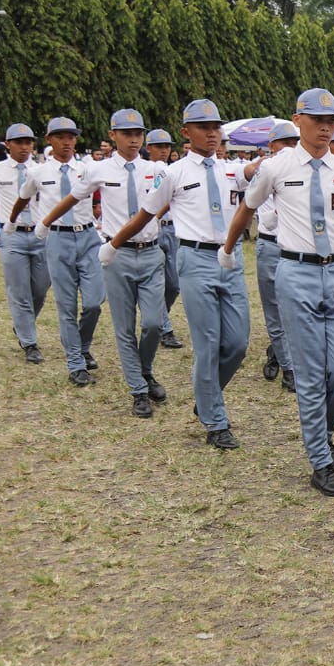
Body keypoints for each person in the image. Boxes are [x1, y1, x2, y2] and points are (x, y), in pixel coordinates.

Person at [224, 89, 334, 498]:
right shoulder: (276, 166)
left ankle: (324, 432)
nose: (325, 127)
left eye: (331, 121)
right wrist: (228, 248)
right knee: (311, 374)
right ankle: (320, 460)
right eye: (318, 120)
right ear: (298, 120)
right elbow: (248, 206)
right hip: (296, 272)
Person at [103, 99, 259, 450]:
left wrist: (276, 157)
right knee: (208, 344)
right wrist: (114, 244)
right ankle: (215, 421)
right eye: (204, 127)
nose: (212, 133)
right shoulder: (172, 174)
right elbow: (146, 215)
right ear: (186, 132)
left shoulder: (231, 169)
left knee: (237, 343)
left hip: (229, 259)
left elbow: (253, 171)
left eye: (216, 127)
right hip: (195, 259)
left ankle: (206, 396)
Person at [46, 109, 168, 417]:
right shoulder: (97, 169)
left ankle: (145, 370)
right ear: (113, 135)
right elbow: (73, 197)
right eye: (127, 134)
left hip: (151, 252)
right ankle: (138, 389)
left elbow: (170, 199)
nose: (133, 140)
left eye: (138, 134)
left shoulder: (155, 169)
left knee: (153, 323)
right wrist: (46, 222)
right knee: (124, 328)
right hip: (118, 253)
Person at [12, 118, 104, 386]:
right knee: (66, 304)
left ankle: (82, 345)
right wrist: (12, 222)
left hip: (88, 236)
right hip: (57, 238)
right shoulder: (37, 172)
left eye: (71, 137)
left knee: (94, 302)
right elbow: (23, 197)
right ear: (49, 140)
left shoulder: (88, 169)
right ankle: (76, 363)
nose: (66, 142)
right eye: (60, 137)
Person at [255, 121, 300, 393]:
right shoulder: (266, 170)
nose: (290, 148)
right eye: (285, 143)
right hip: (271, 244)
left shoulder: (304, 169)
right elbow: (261, 214)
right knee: (274, 310)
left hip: (295, 249)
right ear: (272, 146)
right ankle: (289, 368)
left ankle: (278, 351)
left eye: (294, 143)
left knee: (294, 311)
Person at [145, 129, 184, 349]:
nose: (164, 150)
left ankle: (159, 317)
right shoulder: (143, 171)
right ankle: (166, 330)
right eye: (159, 146)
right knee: (156, 282)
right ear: (149, 148)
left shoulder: (173, 171)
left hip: (172, 229)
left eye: (167, 146)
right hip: (151, 231)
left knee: (174, 284)